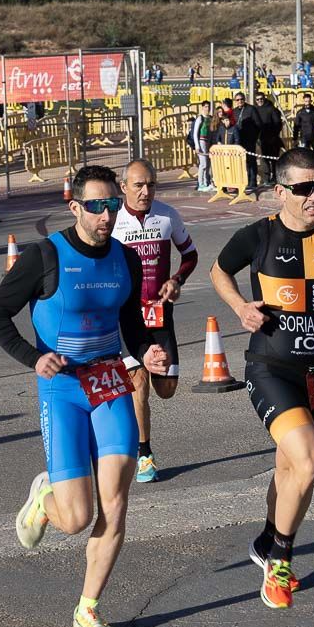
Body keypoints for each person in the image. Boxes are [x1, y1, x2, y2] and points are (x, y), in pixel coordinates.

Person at [0, 165, 169, 627]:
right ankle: (46, 500)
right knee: (77, 518)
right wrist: (34, 357)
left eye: (112, 206)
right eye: (96, 206)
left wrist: (146, 349)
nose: (106, 215)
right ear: (75, 207)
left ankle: (87, 610)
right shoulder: (45, 255)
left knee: (118, 501)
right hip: (62, 388)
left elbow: (129, 318)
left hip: (108, 380)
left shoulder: (125, 259)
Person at [211, 148, 314, 609]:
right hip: (270, 367)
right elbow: (219, 270)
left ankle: (267, 542)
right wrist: (240, 307)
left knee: (291, 469)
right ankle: (281, 563)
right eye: (304, 188)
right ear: (280, 191)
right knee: (309, 460)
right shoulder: (258, 236)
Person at [112, 158, 198, 483]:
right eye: (138, 184)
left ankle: (143, 376)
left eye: (151, 184)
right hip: (128, 316)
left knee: (166, 388)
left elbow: (190, 255)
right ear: (123, 187)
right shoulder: (115, 223)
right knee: (139, 386)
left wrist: (176, 280)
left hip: (161, 314)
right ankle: (144, 454)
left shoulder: (167, 215)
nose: (146, 191)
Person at [233, 91, 261, 190]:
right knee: (240, 162)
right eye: (237, 100)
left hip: (250, 139)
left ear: (244, 99)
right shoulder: (234, 111)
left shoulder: (251, 109)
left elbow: (258, 124)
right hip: (239, 140)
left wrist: (255, 137)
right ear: (235, 101)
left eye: (241, 99)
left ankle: (252, 181)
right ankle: (242, 181)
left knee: (251, 161)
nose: (240, 101)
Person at [255, 91, 283, 184]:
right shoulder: (255, 110)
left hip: (272, 138)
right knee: (264, 159)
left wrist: (274, 135)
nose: (260, 101)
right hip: (262, 139)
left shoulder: (271, 109)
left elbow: (278, 124)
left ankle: (275, 177)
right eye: (258, 99)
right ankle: (266, 178)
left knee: (274, 159)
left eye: (261, 99)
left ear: (264, 98)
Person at [192, 101, 215, 192]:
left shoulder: (210, 118)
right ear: (202, 107)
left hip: (209, 142)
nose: (207, 108)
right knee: (203, 164)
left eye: (208, 107)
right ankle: (200, 184)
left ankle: (206, 182)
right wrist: (197, 146)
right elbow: (195, 133)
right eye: (205, 107)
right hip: (202, 141)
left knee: (208, 164)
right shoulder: (200, 118)